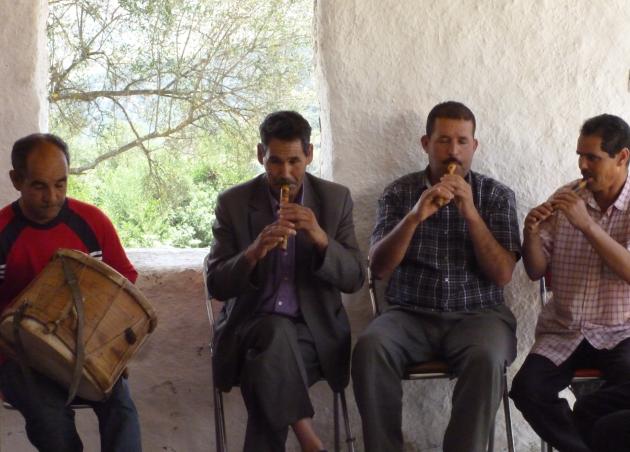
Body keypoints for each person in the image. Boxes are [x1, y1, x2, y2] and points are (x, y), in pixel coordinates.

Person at [352, 101, 521, 452]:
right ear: (425, 143)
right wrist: (414, 216)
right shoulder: (398, 193)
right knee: (370, 347)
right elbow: (379, 268)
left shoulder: (496, 195)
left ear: (474, 146)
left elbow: (502, 274)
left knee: (487, 357)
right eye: (444, 140)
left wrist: (472, 215)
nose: (453, 151)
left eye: (462, 141)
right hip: (410, 314)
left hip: (480, 315)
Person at [205, 110, 364, 452]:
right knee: (273, 333)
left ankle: (309, 442)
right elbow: (216, 284)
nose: (286, 174)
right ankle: (311, 441)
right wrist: (253, 252)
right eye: (275, 162)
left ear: (309, 154)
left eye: (295, 161)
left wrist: (320, 237)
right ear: (261, 154)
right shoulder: (233, 203)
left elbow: (354, 278)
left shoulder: (334, 200)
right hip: (248, 328)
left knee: (264, 370)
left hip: (314, 336)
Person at [0, 133, 142, 452]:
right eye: (39, 186)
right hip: (22, 358)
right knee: (51, 421)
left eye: (61, 184)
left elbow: (124, 283)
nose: (52, 197)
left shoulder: (92, 223)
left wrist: (111, 345)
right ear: (16, 179)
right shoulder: (2, 232)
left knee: (121, 409)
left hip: (88, 351)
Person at [509, 113, 630, 452]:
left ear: (623, 157)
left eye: (593, 157)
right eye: (580, 155)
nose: (583, 165)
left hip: (621, 330)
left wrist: (587, 226)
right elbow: (535, 271)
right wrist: (530, 233)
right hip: (565, 329)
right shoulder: (566, 196)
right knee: (527, 390)